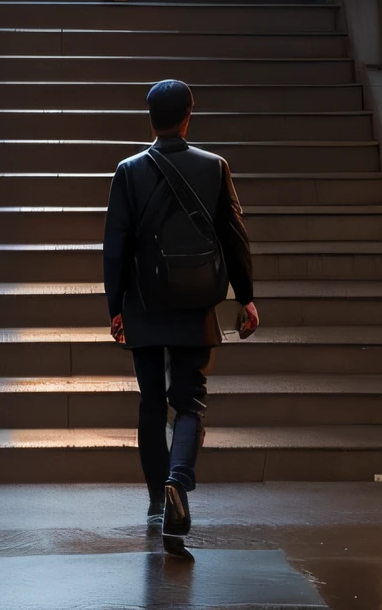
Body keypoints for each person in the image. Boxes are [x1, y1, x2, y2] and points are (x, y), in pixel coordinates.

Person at [102, 77, 258, 539]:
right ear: (189, 116)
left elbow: (115, 245)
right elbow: (234, 236)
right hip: (195, 303)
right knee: (189, 401)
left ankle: (156, 502)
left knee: (151, 404)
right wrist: (246, 297)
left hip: (144, 303)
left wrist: (116, 307)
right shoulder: (215, 167)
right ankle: (178, 483)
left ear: (151, 119)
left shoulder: (128, 170)